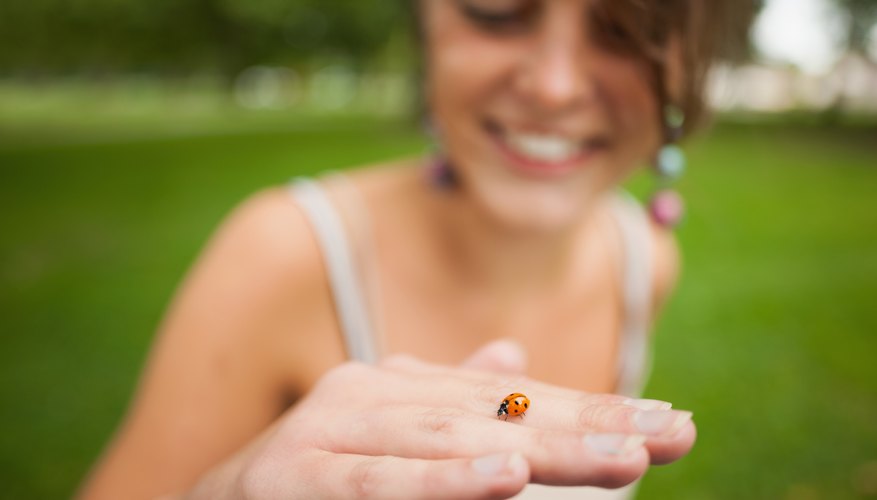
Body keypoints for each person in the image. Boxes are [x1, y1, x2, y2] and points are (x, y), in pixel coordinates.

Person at [78, 0, 747, 498]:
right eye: (496, 9)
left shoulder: (647, 261)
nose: (554, 87)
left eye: (628, 28)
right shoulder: (279, 252)